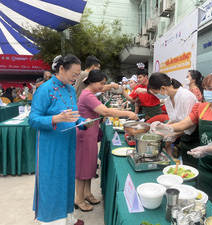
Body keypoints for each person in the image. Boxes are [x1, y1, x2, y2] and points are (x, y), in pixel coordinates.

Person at [29, 54, 94, 225]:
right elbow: (33, 119)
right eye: (73, 74)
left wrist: (82, 122)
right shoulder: (45, 89)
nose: (76, 78)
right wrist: (55, 119)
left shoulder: (71, 89)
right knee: (52, 181)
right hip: (51, 146)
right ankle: (52, 221)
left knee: (66, 179)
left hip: (68, 143)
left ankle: (68, 218)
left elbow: (73, 116)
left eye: (78, 75)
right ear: (61, 69)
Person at [150, 68, 212, 204]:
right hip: (203, 165)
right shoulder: (201, 108)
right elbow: (184, 124)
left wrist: (209, 148)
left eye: (211, 88)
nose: (206, 92)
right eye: (205, 88)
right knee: (200, 197)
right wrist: (164, 127)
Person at [75, 70, 138, 212]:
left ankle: (87, 193)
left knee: (89, 166)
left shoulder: (90, 94)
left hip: (90, 134)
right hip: (84, 136)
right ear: (91, 82)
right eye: (101, 83)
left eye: (104, 84)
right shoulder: (87, 95)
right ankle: (78, 198)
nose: (103, 87)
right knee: (82, 168)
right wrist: (128, 113)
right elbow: (106, 111)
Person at [147, 72, 198, 157]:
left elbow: (189, 125)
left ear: (163, 88)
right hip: (183, 136)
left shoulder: (186, 96)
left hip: (193, 137)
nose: (157, 96)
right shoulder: (168, 100)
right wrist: (161, 127)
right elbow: (174, 119)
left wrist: (173, 134)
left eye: (156, 93)